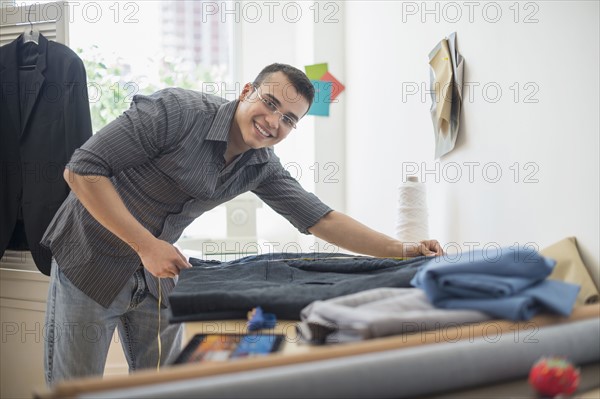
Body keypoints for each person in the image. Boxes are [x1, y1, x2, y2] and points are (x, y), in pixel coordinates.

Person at [41, 63, 442, 384]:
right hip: (90, 259)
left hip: (155, 277)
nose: (273, 121)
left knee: (163, 386)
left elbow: (322, 220)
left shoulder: (262, 166)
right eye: (269, 102)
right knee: (76, 387)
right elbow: (82, 170)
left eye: (289, 119)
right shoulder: (174, 112)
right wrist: (146, 245)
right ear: (246, 91)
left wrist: (402, 249)